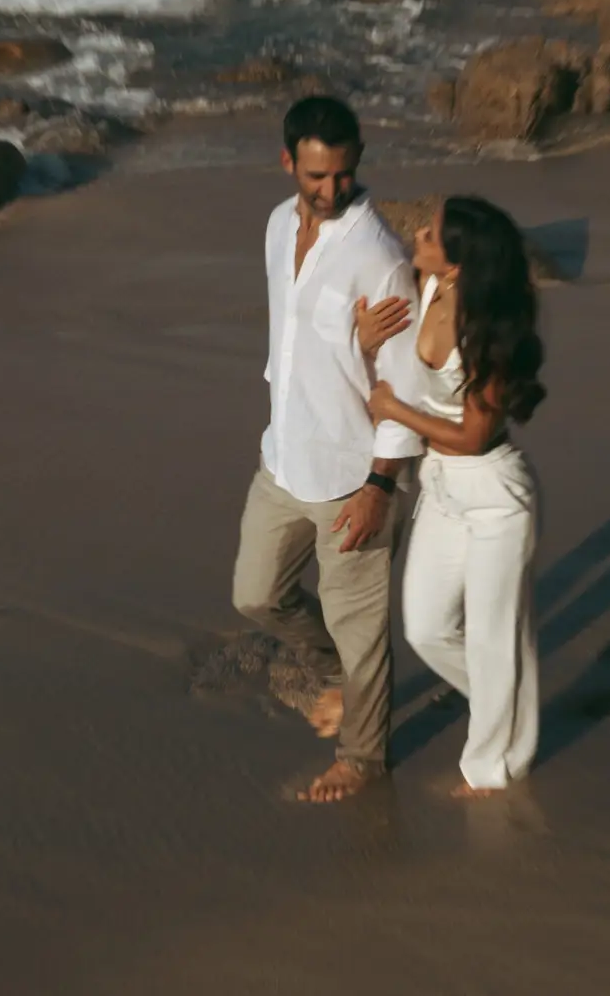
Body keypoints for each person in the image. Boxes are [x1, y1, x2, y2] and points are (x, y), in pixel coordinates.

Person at [231, 96, 425, 804]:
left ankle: (363, 759)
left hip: (353, 473)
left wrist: (381, 485)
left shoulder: (378, 257)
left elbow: (405, 380)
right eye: (317, 175)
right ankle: (335, 671)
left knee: (362, 629)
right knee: (255, 595)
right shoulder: (278, 226)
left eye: (343, 174)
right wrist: (346, 342)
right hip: (284, 457)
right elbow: (293, 338)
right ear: (288, 163)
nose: (332, 189)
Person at [361, 196, 546, 798]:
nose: (419, 232)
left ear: (460, 263)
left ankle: (490, 767)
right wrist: (365, 336)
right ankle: (506, 707)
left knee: (494, 638)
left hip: (494, 496)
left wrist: (395, 411)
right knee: (426, 627)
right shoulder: (425, 284)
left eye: (433, 233)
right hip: (440, 486)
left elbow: (473, 436)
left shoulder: (488, 331)